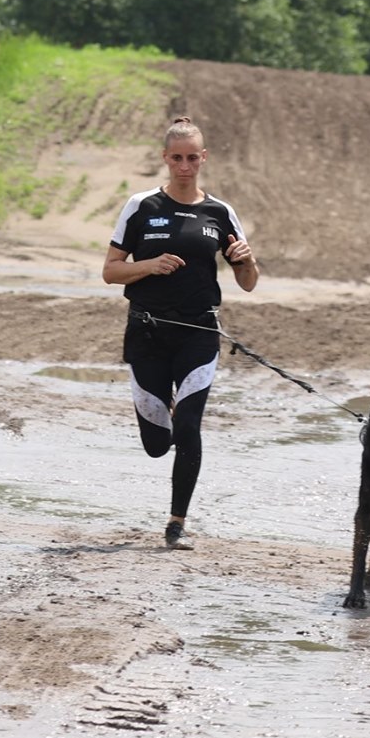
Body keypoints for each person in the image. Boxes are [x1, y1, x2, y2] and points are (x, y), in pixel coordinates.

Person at [103, 115, 259, 548]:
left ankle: (176, 524)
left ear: (204, 158)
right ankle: (162, 417)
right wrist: (150, 266)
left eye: (193, 157)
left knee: (189, 427)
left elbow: (248, 281)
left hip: (199, 333)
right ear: (165, 159)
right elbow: (110, 272)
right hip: (147, 334)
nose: (185, 165)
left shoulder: (220, 213)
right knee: (157, 444)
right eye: (177, 158)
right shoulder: (141, 206)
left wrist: (245, 260)